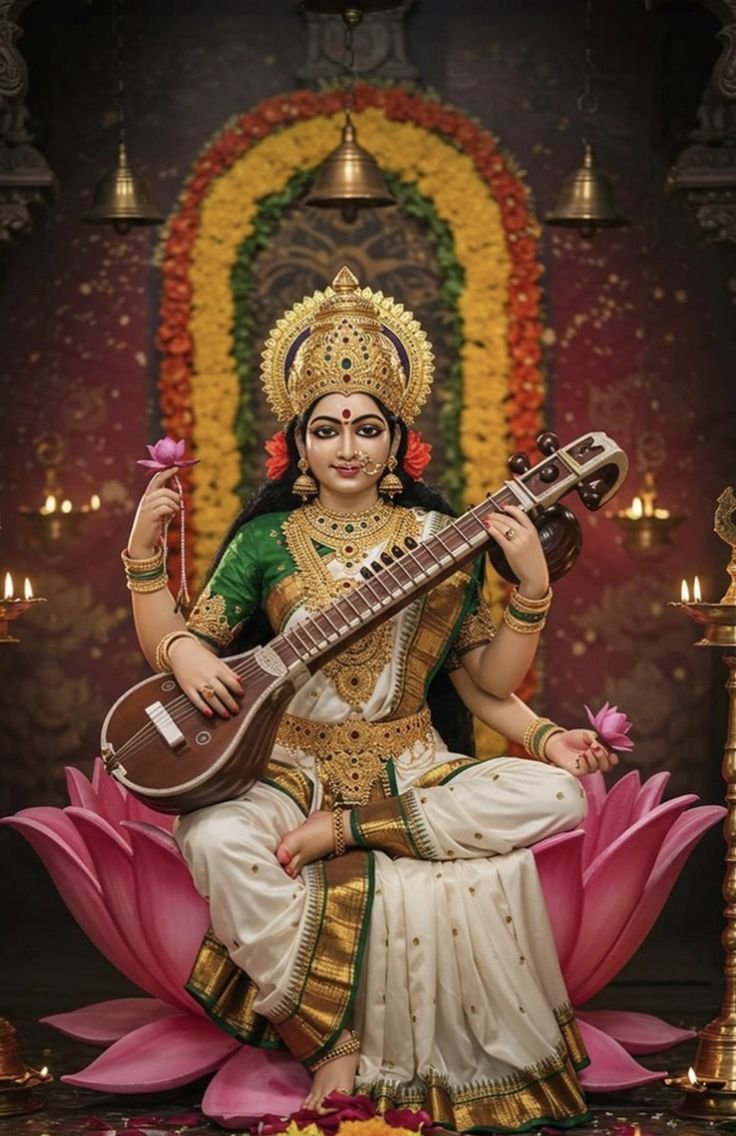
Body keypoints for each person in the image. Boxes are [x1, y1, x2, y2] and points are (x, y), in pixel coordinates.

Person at [123, 266, 617, 1131]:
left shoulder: (441, 540)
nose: (346, 447)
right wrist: (158, 590)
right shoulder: (265, 541)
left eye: (365, 428)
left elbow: (481, 684)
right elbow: (187, 645)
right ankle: (332, 1041)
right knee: (211, 833)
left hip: (411, 768)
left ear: (397, 443)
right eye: (325, 429)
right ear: (298, 443)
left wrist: (540, 683)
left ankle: (353, 834)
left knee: (559, 793)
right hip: (288, 771)